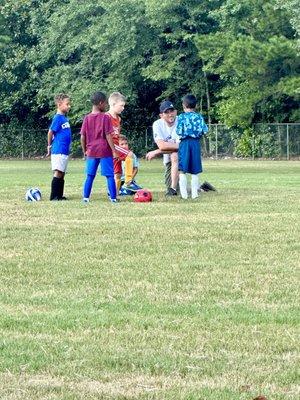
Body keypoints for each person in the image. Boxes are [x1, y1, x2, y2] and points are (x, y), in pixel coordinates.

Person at [80, 91, 118, 203]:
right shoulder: (105, 117)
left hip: (91, 151)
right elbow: (108, 136)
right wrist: (114, 151)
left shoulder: (87, 118)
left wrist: (84, 151)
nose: (106, 106)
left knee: (90, 175)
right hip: (104, 151)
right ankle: (113, 199)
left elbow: (82, 137)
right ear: (100, 103)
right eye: (105, 103)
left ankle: (86, 198)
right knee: (110, 175)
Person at [175, 94, 208, 199]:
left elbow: (178, 131)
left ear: (184, 105)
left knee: (182, 169)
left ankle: (184, 195)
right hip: (195, 144)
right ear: (196, 105)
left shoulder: (181, 117)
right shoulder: (199, 117)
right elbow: (205, 130)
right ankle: (194, 194)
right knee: (195, 169)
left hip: (184, 143)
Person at [106, 92, 140, 194]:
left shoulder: (118, 118)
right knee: (130, 154)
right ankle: (128, 181)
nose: (123, 108)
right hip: (111, 146)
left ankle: (115, 195)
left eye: (124, 106)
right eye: (121, 105)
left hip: (116, 147)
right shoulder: (106, 117)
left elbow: (117, 134)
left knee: (118, 174)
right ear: (112, 104)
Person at [146, 100, 179, 196]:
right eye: (166, 112)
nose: (170, 114)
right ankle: (202, 187)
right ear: (161, 115)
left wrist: (156, 152)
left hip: (184, 156)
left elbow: (180, 148)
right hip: (169, 161)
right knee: (180, 187)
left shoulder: (181, 121)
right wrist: (163, 148)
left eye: (172, 111)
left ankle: (173, 189)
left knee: (174, 155)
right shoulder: (157, 124)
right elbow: (163, 146)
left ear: (176, 112)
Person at [47, 93, 72, 201]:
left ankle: (59, 195)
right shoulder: (57, 118)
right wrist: (49, 145)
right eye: (67, 104)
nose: (69, 106)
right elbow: (50, 132)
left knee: (62, 173)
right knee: (58, 172)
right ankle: (54, 196)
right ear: (59, 104)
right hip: (58, 150)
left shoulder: (64, 118)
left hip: (64, 150)